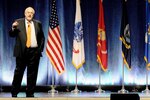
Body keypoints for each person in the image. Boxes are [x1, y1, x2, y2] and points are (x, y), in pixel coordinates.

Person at [9, 7, 45, 97]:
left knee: (32, 74)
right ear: (25, 14)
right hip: (22, 52)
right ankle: (14, 92)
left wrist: (39, 50)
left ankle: (30, 93)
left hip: (34, 52)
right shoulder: (18, 22)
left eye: (31, 13)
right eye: (28, 12)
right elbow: (12, 34)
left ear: (33, 14)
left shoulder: (38, 23)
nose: (29, 14)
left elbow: (42, 38)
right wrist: (13, 28)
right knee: (18, 73)